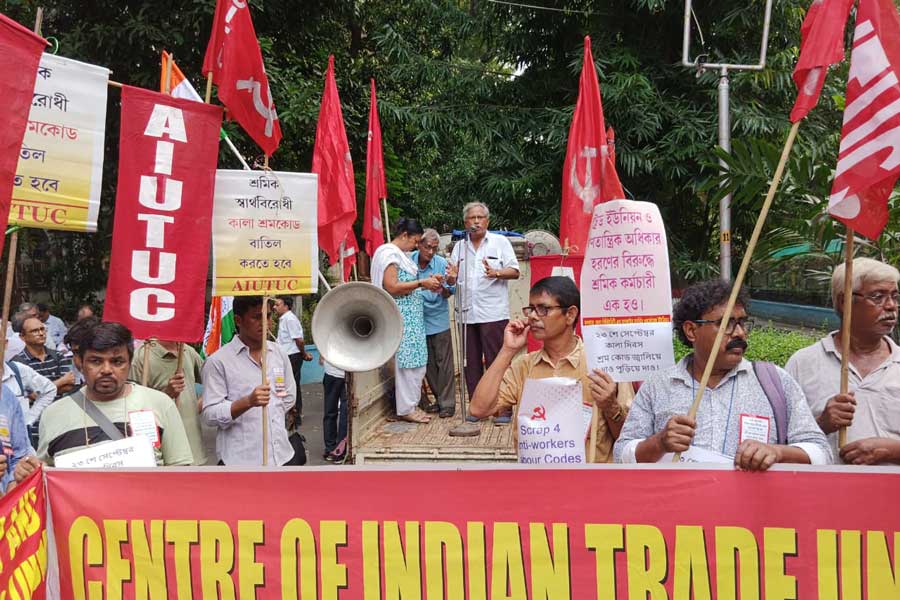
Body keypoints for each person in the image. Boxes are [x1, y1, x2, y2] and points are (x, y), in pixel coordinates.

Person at [614, 279, 831, 470]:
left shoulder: (775, 382)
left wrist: (778, 452)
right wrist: (659, 443)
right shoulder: (658, 386)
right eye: (726, 324)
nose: (739, 333)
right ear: (691, 331)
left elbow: (821, 454)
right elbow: (621, 455)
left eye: (742, 322)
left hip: (751, 515)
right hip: (678, 514)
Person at [469, 276, 627, 461]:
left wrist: (611, 407)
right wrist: (507, 350)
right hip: (535, 483)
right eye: (531, 309)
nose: (533, 316)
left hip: (589, 484)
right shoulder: (523, 367)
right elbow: (478, 409)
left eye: (543, 309)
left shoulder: (602, 366)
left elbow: (628, 442)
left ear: (570, 314)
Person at [13, 322, 193, 476]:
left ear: (129, 363)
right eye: (96, 361)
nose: (107, 370)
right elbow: (46, 477)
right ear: (80, 363)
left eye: (117, 361)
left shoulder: (160, 403)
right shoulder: (53, 414)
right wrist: (28, 472)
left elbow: (180, 474)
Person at [786, 258, 900, 465]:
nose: (891, 306)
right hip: (825, 493)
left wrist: (891, 451)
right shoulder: (803, 364)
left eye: (894, 296)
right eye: (878, 297)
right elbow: (780, 443)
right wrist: (821, 424)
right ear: (844, 300)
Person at [202, 296, 299, 466]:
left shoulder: (278, 353)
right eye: (256, 317)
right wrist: (248, 402)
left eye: (268, 316)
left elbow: (288, 395)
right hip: (241, 462)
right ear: (238, 320)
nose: (265, 323)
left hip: (281, 457)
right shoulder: (218, 361)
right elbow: (210, 414)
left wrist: (272, 415)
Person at [449, 202, 520, 423]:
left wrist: (496, 273)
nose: (476, 221)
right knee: (470, 363)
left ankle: (503, 408)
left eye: (480, 217)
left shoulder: (500, 243)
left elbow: (515, 271)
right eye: (472, 218)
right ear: (465, 222)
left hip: (493, 313)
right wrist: (450, 278)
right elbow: (451, 278)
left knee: (497, 361)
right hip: (466, 315)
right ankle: (476, 407)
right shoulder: (459, 247)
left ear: (487, 221)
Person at [371, 218, 444, 423]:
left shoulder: (397, 255)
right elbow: (392, 286)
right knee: (409, 365)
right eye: (415, 241)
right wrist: (422, 282)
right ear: (404, 236)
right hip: (401, 316)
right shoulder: (389, 254)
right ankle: (406, 408)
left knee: (416, 363)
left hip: (411, 317)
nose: (416, 246)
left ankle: (409, 405)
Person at [131, 340, 208, 466]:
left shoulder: (187, 351)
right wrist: (167, 394)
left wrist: (198, 405)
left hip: (194, 452)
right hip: (161, 456)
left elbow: (214, 381)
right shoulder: (141, 356)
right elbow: (133, 408)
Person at [412, 229, 458, 418]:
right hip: (416, 319)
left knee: (444, 364)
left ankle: (447, 404)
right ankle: (438, 400)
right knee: (427, 364)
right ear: (419, 245)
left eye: (434, 248)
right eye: (427, 247)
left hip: (438, 318)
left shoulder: (441, 264)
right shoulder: (408, 262)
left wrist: (445, 286)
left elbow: (450, 292)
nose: (430, 251)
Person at [12, 315, 74, 398]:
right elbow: (28, 396)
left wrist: (40, 392)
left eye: (42, 329)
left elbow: (68, 386)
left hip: (59, 407)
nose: (41, 333)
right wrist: (61, 381)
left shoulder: (58, 356)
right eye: (35, 331)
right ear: (22, 337)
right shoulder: (17, 363)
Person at [273, 296, 312, 423]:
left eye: (278, 305)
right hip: (285, 356)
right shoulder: (283, 319)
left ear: (286, 306)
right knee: (282, 384)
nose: (274, 307)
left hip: (293, 356)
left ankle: (296, 413)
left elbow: (299, 340)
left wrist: (304, 353)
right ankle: (288, 410)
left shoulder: (290, 319)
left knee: (292, 384)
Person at [3, 359, 56, 427]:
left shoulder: (17, 370)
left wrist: (29, 419)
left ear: (5, 348)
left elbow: (49, 389)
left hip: (18, 435)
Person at [321, 358, 348, 462]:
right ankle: (336, 449)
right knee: (341, 413)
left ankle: (334, 448)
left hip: (336, 373)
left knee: (333, 412)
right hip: (337, 373)